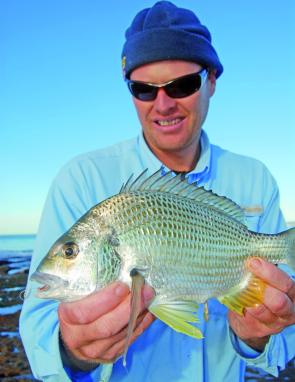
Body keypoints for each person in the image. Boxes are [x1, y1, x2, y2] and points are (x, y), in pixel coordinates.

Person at [20, 1, 295, 381]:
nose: (163, 104)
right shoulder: (80, 179)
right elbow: (38, 332)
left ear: (211, 80)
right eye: (144, 90)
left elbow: (279, 348)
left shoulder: (255, 179)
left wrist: (258, 337)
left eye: (182, 85)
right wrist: (73, 352)